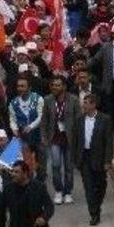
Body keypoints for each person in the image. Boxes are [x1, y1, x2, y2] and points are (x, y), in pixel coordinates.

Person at [40, 73, 80, 204]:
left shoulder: (73, 99)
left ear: (64, 87)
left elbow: (78, 119)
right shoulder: (48, 100)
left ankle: (68, 192)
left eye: (58, 85)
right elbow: (44, 120)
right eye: (53, 85)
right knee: (56, 165)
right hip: (54, 138)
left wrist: (79, 138)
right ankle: (58, 190)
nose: (55, 87)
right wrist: (44, 137)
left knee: (69, 167)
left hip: (69, 138)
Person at [75, 93, 114, 225]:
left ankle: (97, 204)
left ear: (93, 105)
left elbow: (109, 142)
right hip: (85, 157)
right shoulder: (79, 120)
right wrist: (76, 158)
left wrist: (108, 161)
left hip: (99, 157)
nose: (83, 105)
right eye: (83, 103)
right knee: (89, 187)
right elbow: (76, 140)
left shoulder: (105, 119)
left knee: (101, 185)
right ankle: (94, 213)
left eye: (86, 103)